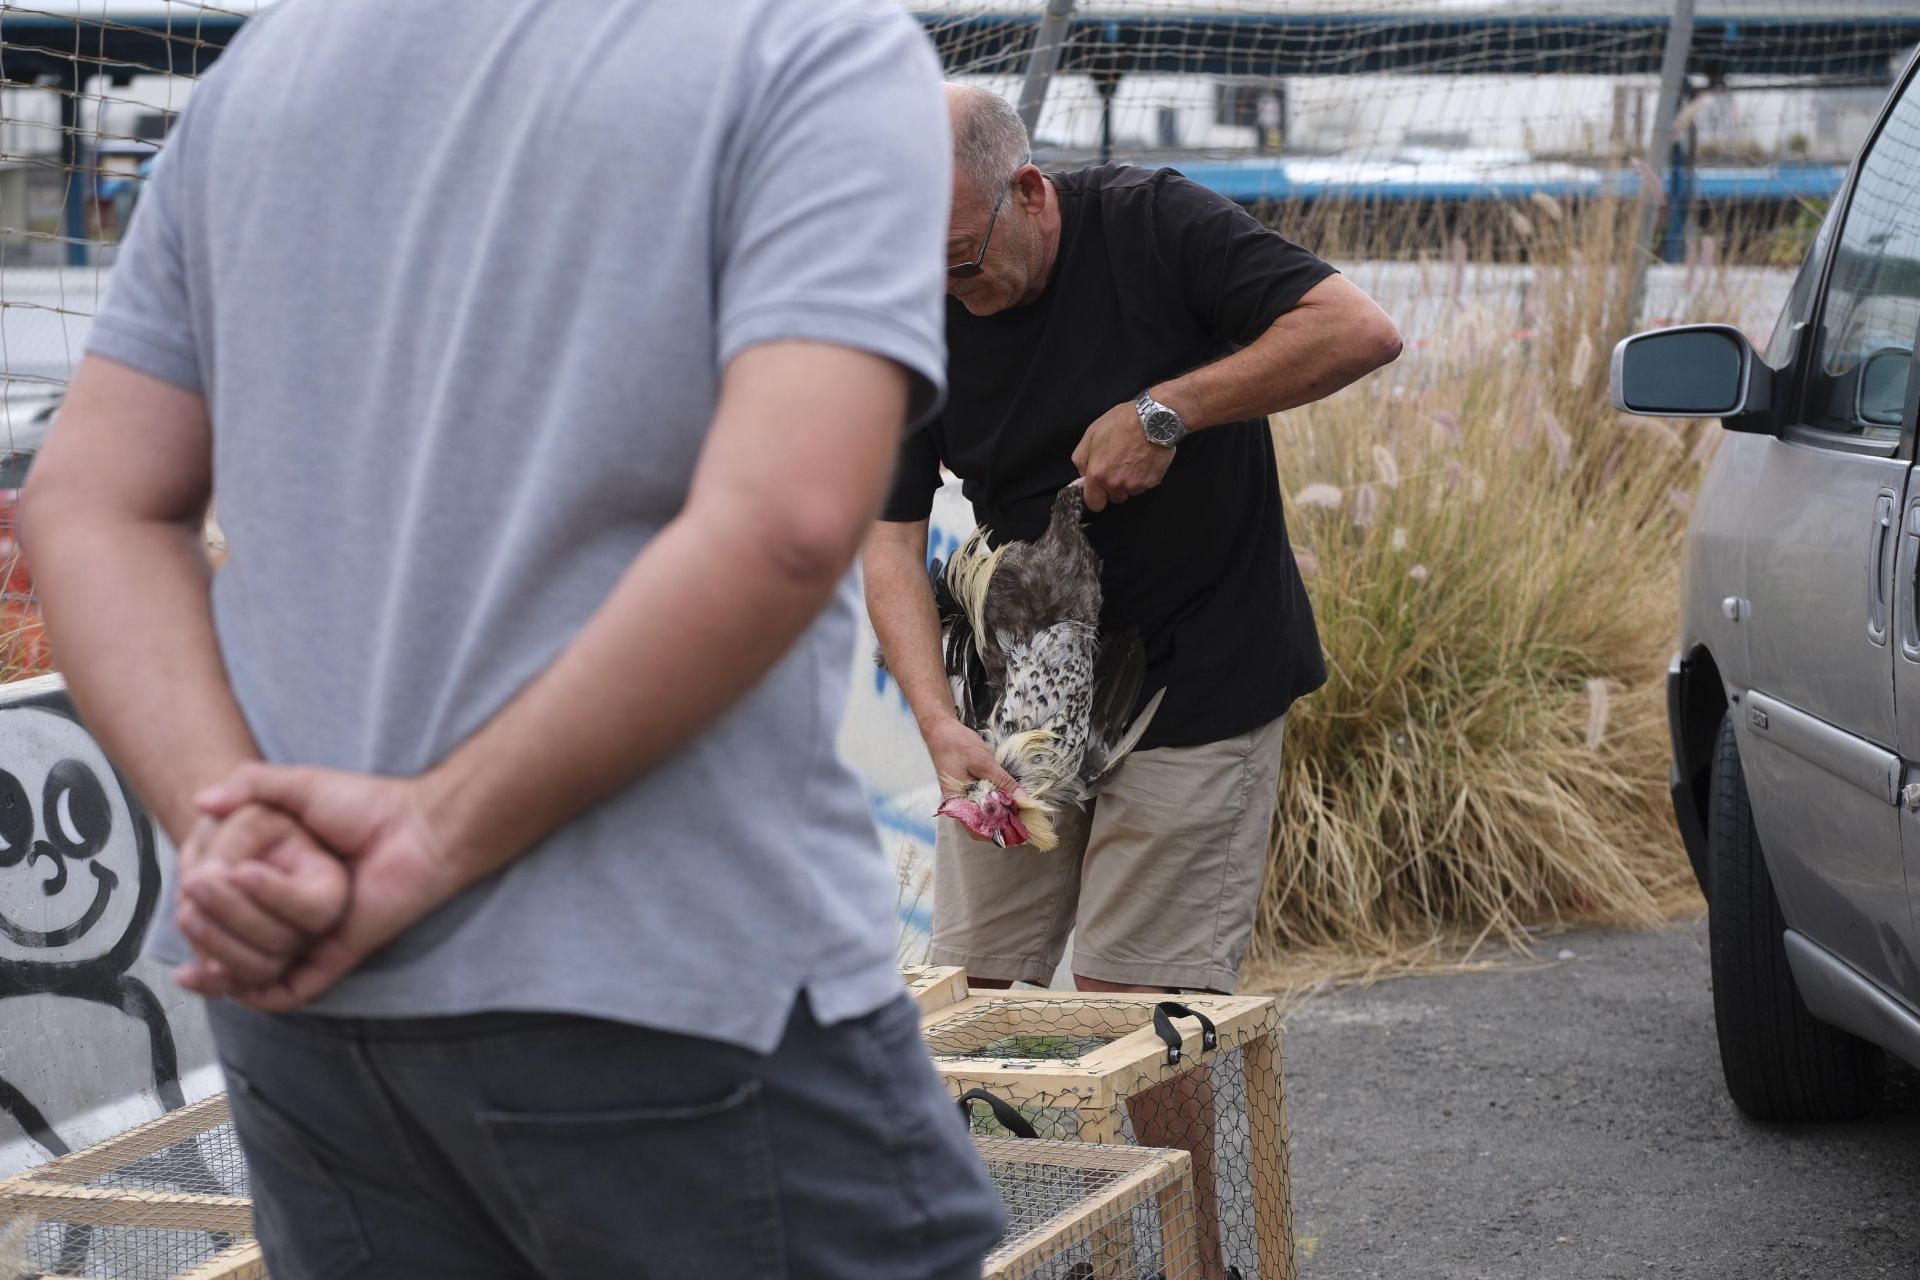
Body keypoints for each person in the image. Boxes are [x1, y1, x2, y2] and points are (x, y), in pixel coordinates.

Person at [21, 3, 1004, 1277]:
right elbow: (783, 518)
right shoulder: (806, 47)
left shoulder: (266, 70)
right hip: (669, 985)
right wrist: (432, 832)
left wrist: (228, 824)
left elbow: (88, 497)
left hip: (307, 996)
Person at [863, 86, 1400, 1275]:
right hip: (1036, 689)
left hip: (1201, 672)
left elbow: (1359, 329)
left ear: (1031, 194)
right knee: (970, 995)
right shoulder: (905, 294)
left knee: (1133, 1018)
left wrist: (1169, 411)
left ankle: (1184, 1260)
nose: (948, 293)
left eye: (962, 260)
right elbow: (891, 540)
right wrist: (940, 721)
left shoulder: (1156, 224)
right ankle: (982, 1250)